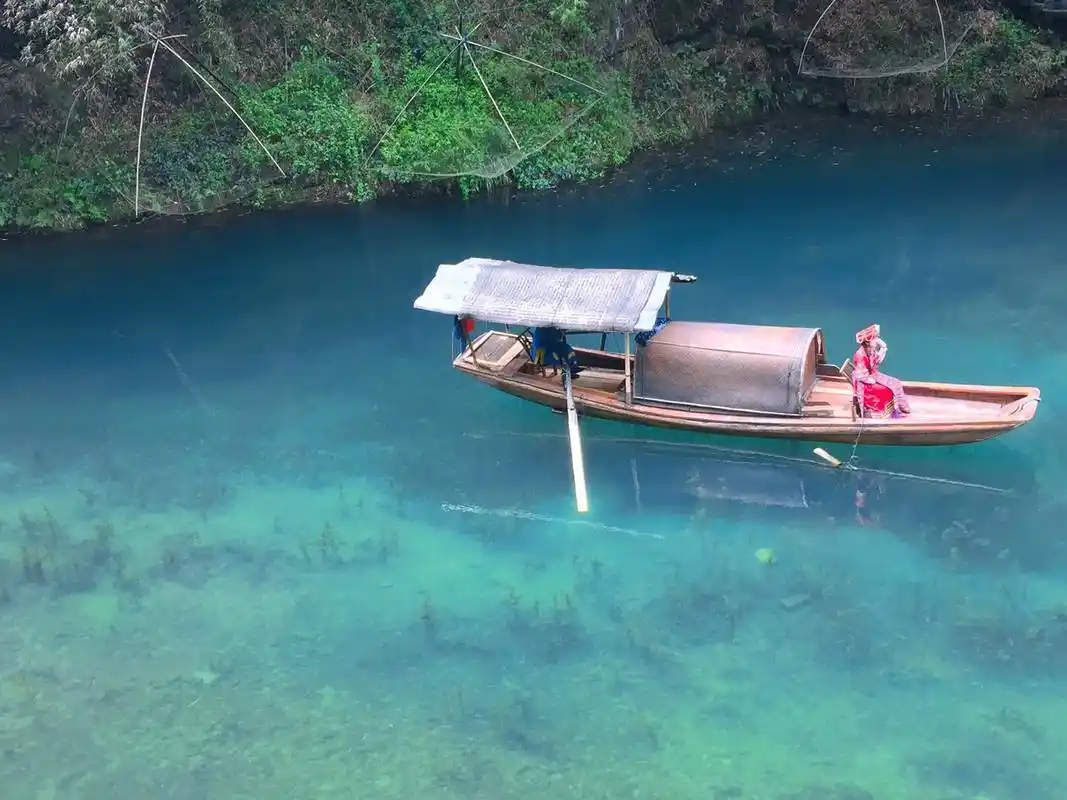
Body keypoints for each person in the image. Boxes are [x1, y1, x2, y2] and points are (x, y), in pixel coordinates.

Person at [852, 324, 911, 418]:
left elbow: (877, 361)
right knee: (887, 390)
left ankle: (901, 406)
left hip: (872, 375)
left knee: (895, 382)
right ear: (868, 341)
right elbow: (862, 376)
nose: (877, 340)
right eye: (875, 338)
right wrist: (876, 381)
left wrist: (883, 348)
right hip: (864, 384)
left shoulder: (870, 350)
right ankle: (885, 413)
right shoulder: (860, 354)